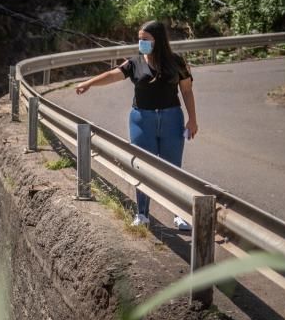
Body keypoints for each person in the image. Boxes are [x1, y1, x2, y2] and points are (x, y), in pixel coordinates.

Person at [74, 20, 198, 230]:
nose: (141, 43)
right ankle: (142, 214)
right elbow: (113, 74)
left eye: (145, 39)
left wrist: (192, 119)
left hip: (171, 119)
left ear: (158, 40)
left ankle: (180, 215)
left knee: (173, 168)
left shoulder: (176, 61)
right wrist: (89, 83)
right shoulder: (135, 62)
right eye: (140, 39)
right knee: (142, 166)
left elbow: (186, 90)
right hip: (142, 119)